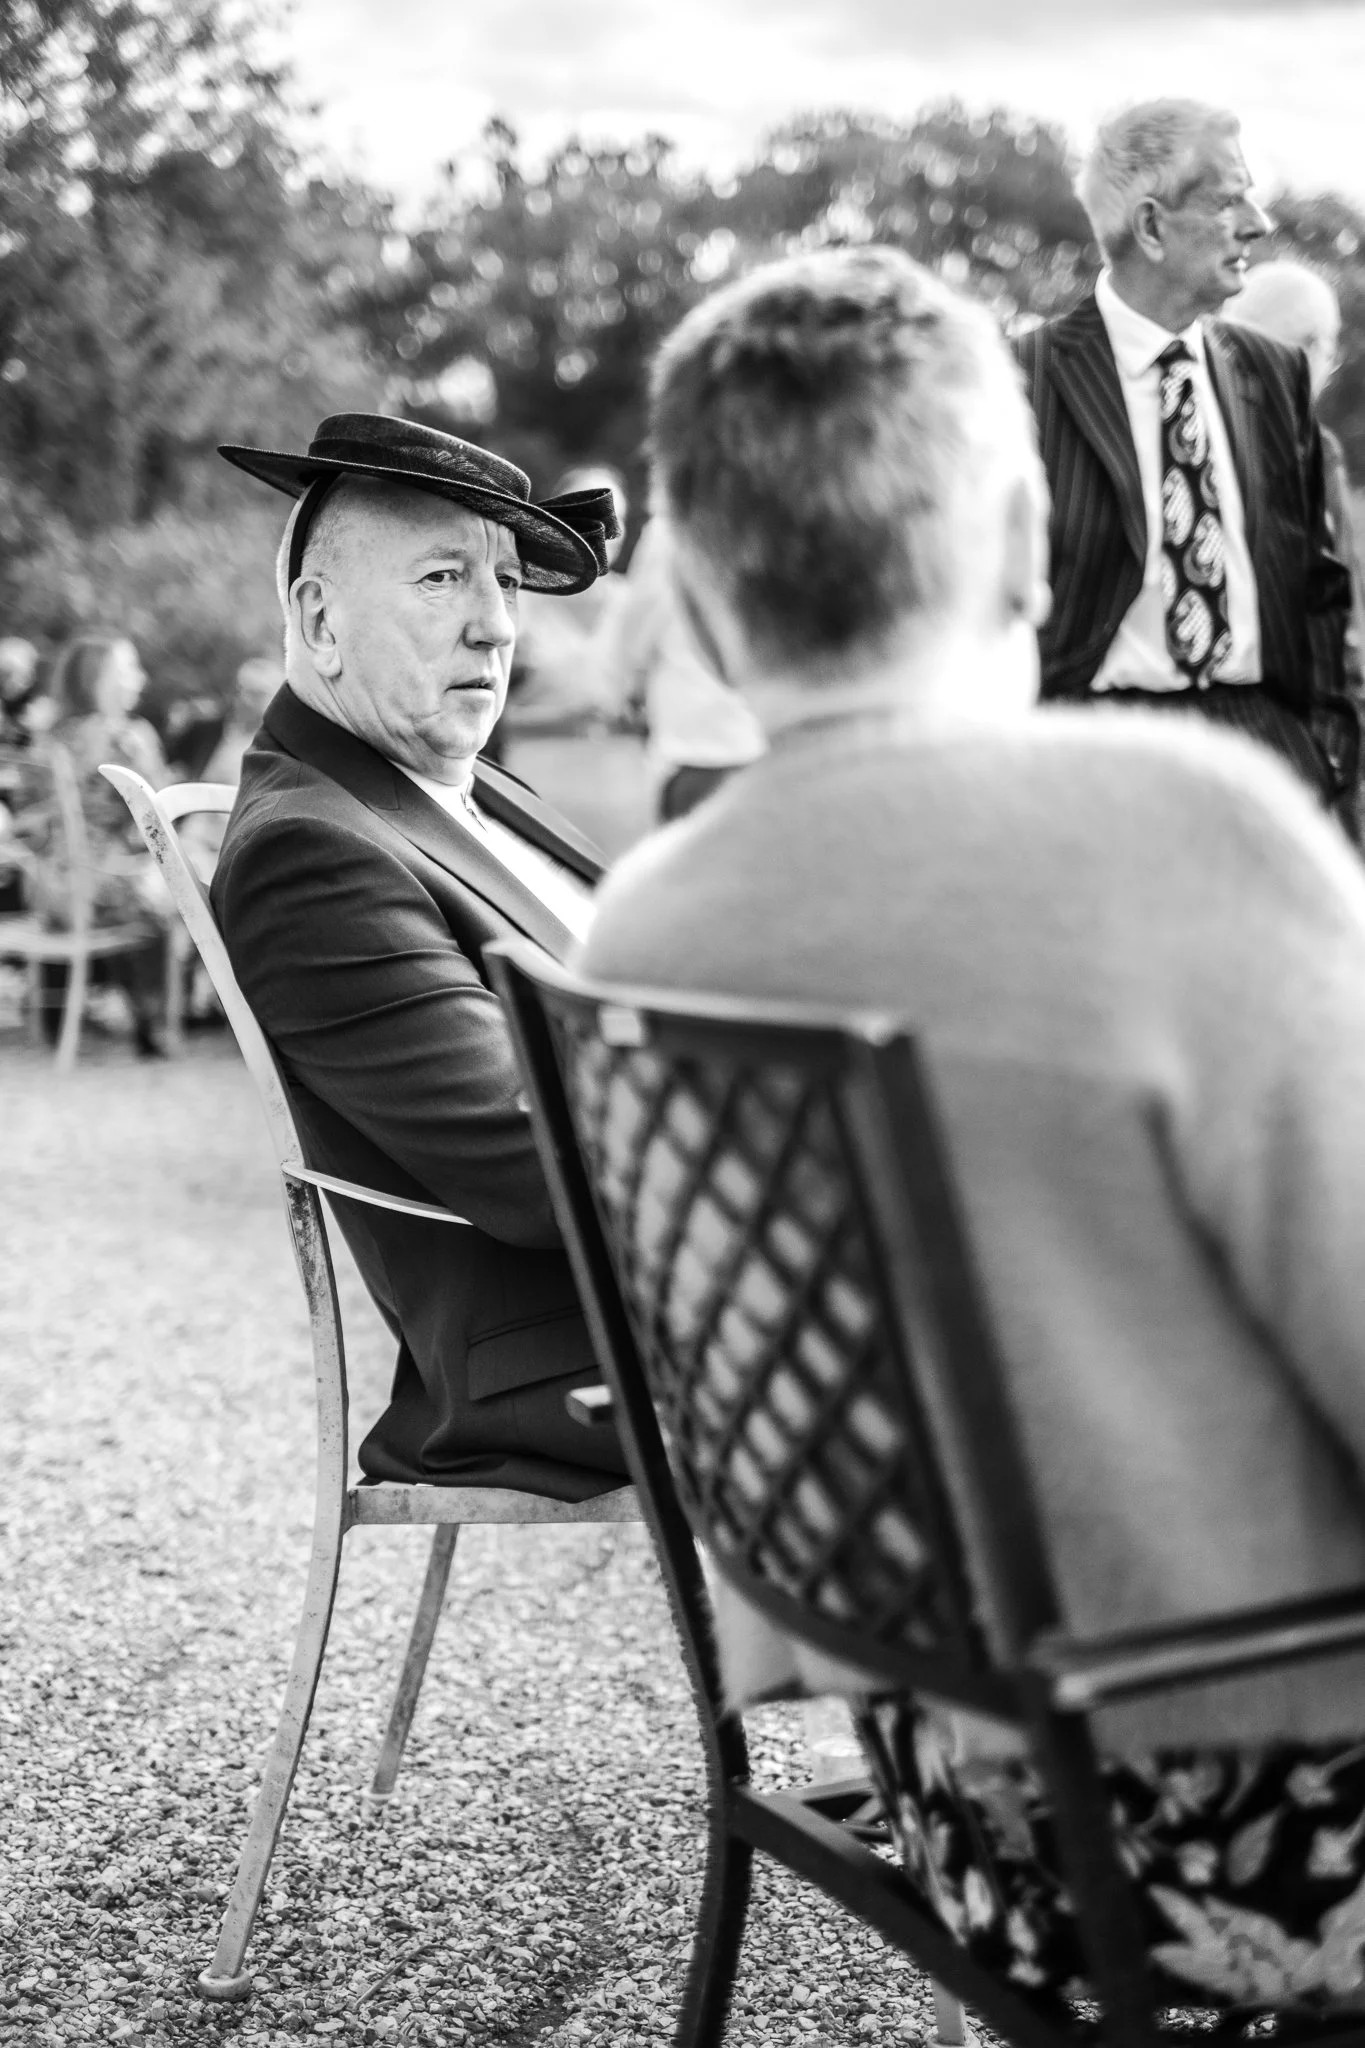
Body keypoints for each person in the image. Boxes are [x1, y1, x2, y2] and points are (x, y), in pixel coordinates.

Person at [580, 244, 1365, 2009]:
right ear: (1030, 544)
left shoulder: (645, 925)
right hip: (1282, 1805)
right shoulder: (1182, 824)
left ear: (695, 603)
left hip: (980, 1804)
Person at [211, 411, 628, 1498]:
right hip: (582, 1353)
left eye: (506, 582)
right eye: (445, 578)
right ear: (320, 617)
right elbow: (544, 1164)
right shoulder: (310, 852)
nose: (497, 627)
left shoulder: (465, 783)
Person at [1016, 99, 1357, 814]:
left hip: (1263, 758)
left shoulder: (1273, 372)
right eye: (1230, 200)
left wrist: (1324, 745)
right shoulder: (1021, 376)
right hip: (1084, 764)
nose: (1256, 226)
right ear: (1149, 226)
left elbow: (1313, 584)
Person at [17, 634, 176, 1054]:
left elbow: (29, 822)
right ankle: (155, 1018)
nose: (138, 679)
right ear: (98, 680)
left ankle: (63, 1016)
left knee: (137, 882)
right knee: (175, 888)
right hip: (99, 889)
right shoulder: (127, 736)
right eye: (128, 669)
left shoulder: (48, 737)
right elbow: (157, 817)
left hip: (44, 890)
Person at [1222, 259, 1365, 707]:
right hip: (1286, 716)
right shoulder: (1313, 450)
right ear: (1309, 347)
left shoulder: (1179, 419)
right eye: (1330, 351)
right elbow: (1347, 620)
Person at [594, 517, 767, 821]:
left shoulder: (673, 529)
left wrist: (622, 689)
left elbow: (639, 624)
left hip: (697, 745)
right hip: (765, 739)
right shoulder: (773, 516)